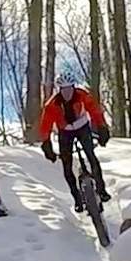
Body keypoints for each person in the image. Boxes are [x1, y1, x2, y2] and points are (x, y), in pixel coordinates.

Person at [39, 69, 111, 212]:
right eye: (63, 90)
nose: (67, 93)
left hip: (82, 127)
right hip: (65, 132)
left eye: (69, 89)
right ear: (60, 90)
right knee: (67, 164)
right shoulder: (52, 105)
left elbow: (95, 111)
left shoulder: (82, 95)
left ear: (73, 87)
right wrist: (46, 144)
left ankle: (102, 190)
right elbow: (45, 126)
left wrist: (102, 128)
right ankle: (77, 199)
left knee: (91, 155)